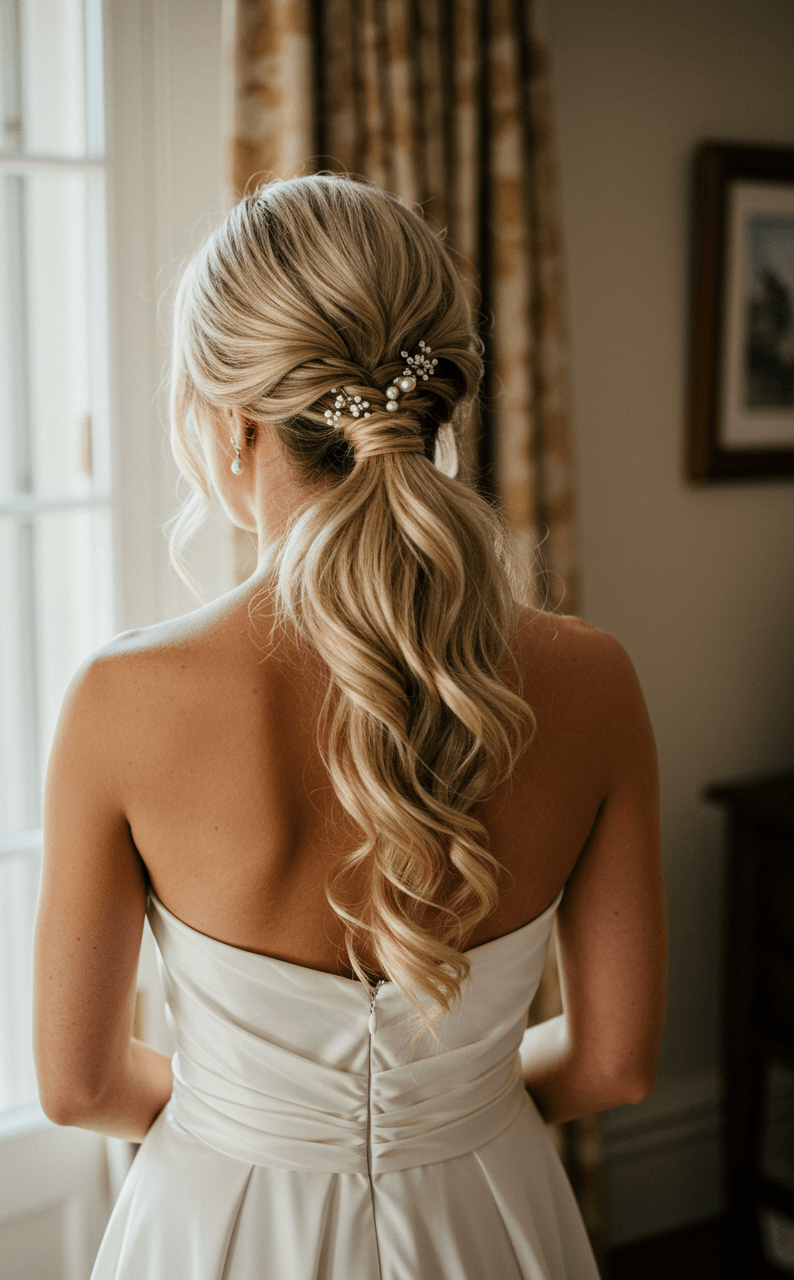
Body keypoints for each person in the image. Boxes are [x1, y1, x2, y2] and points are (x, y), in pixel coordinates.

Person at [33, 174, 666, 1279]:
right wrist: (446, 1110)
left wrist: (260, 1113)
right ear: (436, 410)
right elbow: (614, 1064)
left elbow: (77, 1084)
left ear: (233, 422)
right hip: (491, 1213)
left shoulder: (119, 702)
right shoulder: (594, 680)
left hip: (218, 1226)